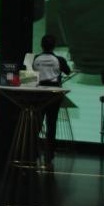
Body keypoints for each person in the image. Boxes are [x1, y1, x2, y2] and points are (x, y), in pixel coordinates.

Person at [31, 33, 72, 162]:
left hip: (39, 94)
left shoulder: (36, 58)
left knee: (37, 123)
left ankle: (33, 151)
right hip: (54, 94)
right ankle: (50, 153)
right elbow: (67, 72)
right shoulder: (60, 60)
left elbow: (31, 72)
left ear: (41, 45)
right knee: (51, 123)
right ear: (54, 46)